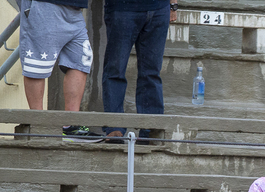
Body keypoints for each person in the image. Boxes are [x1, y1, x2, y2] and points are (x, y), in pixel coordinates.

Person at [18, 0, 103, 141]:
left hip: (75, 8)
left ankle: (71, 125)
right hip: (44, 5)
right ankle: (39, 125)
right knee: (37, 63)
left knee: (81, 60)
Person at [101, 0, 175, 142]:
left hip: (159, 9)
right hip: (122, 8)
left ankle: (151, 128)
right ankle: (114, 128)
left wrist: (173, 5)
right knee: (115, 70)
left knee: (151, 73)